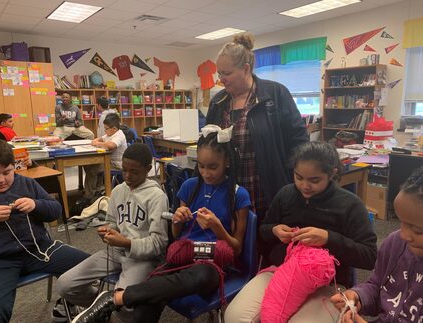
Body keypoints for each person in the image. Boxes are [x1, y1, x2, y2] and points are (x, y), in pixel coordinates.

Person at [71, 124, 252, 323]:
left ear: (227, 162)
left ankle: (116, 298)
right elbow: (176, 236)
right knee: (137, 316)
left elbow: (235, 249)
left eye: (212, 167)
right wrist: (177, 220)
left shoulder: (238, 195)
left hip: (212, 265)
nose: (206, 173)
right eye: (201, 166)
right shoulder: (190, 187)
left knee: (200, 275)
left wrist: (217, 226)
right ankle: (119, 300)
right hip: (181, 258)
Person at [224, 141, 377, 323]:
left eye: (314, 180)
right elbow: (262, 234)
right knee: (235, 317)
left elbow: (369, 256)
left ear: (332, 174)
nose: (304, 186)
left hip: (328, 284)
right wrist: (274, 231)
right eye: (298, 177)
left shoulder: (350, 204)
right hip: (280, 272)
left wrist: (328, 238)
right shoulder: (286, 194)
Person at [56, 143, 169, 320]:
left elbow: (159, 243)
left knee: (122, 305)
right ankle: (102, 306)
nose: (127, 176)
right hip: (115, 251)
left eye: (134, 172)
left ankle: (107, 307)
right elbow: (112, 222)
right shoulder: (118, 190)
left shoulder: (157, 197)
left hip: (142, 258)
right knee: (65, 284)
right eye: (124, 170)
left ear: (148, 169)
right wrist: (108, 231)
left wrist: (126, 242)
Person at [206, 32, 308, 219]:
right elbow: (206, 146)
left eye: (227, 73)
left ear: (246, 69)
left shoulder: (276, 94)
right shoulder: (218, 102)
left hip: (267, 193)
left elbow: (299, 142)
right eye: (219, 73)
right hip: (228, 194)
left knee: (268, 242)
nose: (221, 79)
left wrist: (296, 182)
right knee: (232, 245)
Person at [0, 138, 89, 323]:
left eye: (7, 172)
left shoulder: (27, 184)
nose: (1, 180)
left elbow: (55, 211)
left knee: (89, 267)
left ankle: (65, 305)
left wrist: (35, 205)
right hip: (1, 260)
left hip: (40, 249)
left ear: (15, 166)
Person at [330, 166, 423, 323]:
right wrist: (358, 297)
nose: (403, 234)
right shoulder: (395, 244)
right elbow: (377, 286)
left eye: (417, 229)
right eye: (401, 222)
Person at [79, 113, 127, 205]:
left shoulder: (119, 135)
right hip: (108, 162)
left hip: (117, 165)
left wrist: (98, 144)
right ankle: (98, 189)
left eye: (106, 129)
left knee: (93, 169)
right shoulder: (109, 134)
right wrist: (97, 142)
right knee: (90, 166)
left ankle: (88, 196)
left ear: (114, 128)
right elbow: (97, 139)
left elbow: (111, 145)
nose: (105, 131)